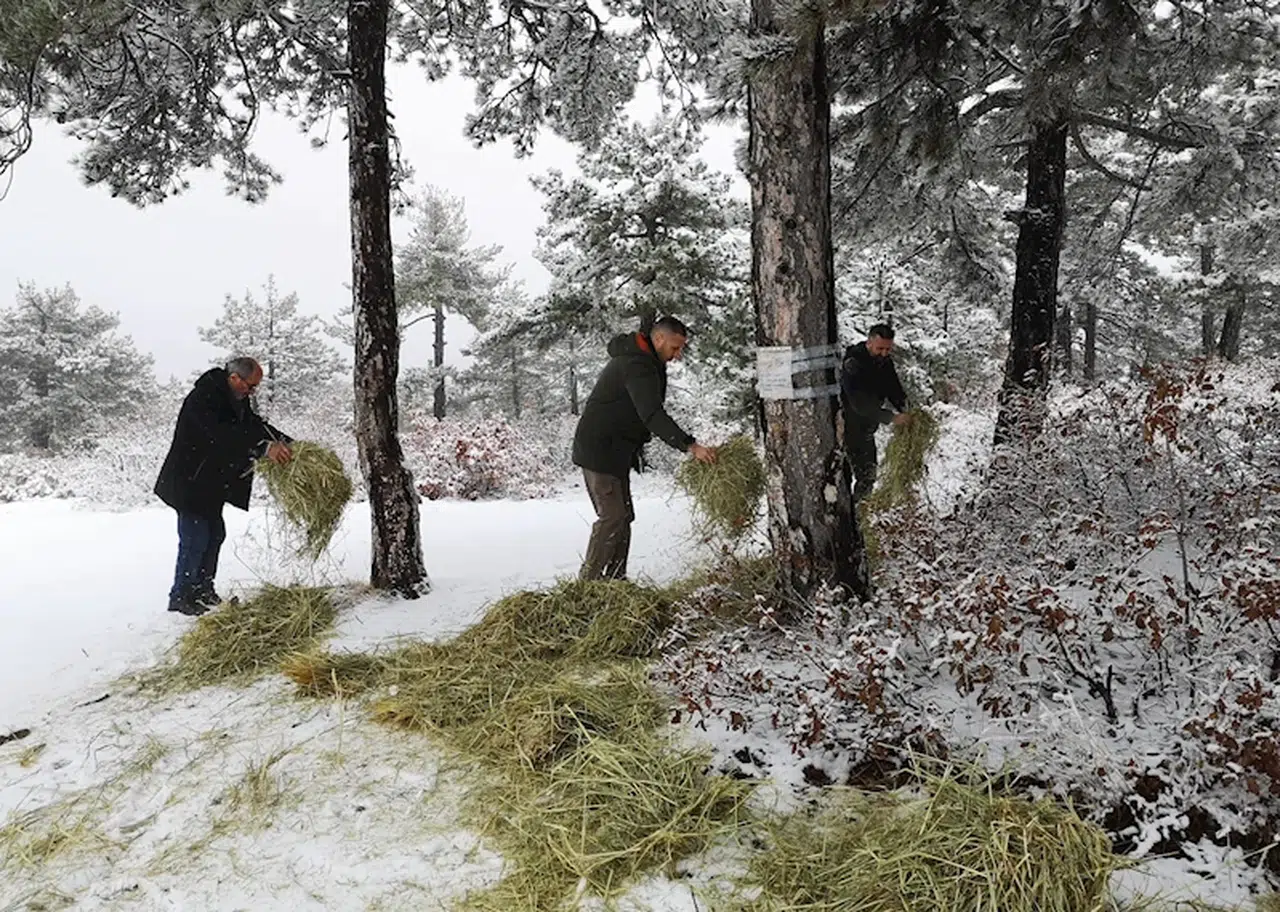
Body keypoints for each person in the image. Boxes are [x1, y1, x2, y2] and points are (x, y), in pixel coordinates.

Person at [572, 316, 716, 580]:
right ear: (658, 338)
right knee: (613, 516)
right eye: (675, 347)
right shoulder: (636, 364)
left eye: (681, 349)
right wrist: (690, 445)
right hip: (599, 451)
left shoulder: (646, 360)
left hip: (616, 452)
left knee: (623, 515)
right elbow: (651, 414)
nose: (678, 355)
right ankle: (587, 584)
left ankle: (616, 581)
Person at [154, 357, 293, 616]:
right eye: (250, 386)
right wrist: (264, 449)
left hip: (209, 483)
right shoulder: (203, 398)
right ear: (234, 378)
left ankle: (203, 590)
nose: (252, 392)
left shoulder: (235, 399)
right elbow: (222, 435)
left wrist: (288, 442)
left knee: (215, 534)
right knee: (195, 538)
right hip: (189, 481)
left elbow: (253, 426)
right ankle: (181, 596)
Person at [840, 323, 910, 501]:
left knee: (869, 475)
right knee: (859, 476)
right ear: (869, 342)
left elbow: (894, 389)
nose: (884, 353)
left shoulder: (884, 362)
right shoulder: (853, 363)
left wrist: (907, 410)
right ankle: (855, 513)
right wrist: (891, 418)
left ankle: (858, 511)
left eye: (888, 349)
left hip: (867, 428)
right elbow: (859, 404)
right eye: (880, 348)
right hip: (848, 427)